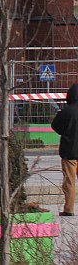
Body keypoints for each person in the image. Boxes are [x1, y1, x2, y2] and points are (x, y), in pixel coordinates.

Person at [52, 84, 78, 216]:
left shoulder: (66, 112)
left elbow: (55, 126)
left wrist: (65, 132)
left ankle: (69, 209)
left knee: (69, 182)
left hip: (70, 152)